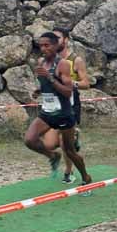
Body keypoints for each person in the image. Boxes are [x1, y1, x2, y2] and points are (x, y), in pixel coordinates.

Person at [23, 32, 93, 190]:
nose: (43, 48)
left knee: (70, 151)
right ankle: (53, 156)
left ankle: (85, 177)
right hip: (47, 112)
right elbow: (47, 85)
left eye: (47, 45)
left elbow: (68, 92)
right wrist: (39, 90)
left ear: (56, 46)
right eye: (41, 45)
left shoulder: (63, 65)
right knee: (29, 140)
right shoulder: (41, 62)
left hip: (63, 114)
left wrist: (50, 78)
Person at [47, 28, 91, 184]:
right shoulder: (50, 59)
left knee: (63, 141)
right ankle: (73, 139)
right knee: (52, 142)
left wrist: (71, 83)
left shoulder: (75, 60)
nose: (54, 41)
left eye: (57, 38)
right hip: (54, 102)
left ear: (65, 40)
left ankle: (69, 172)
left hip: (71, 102)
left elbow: (87, 83)